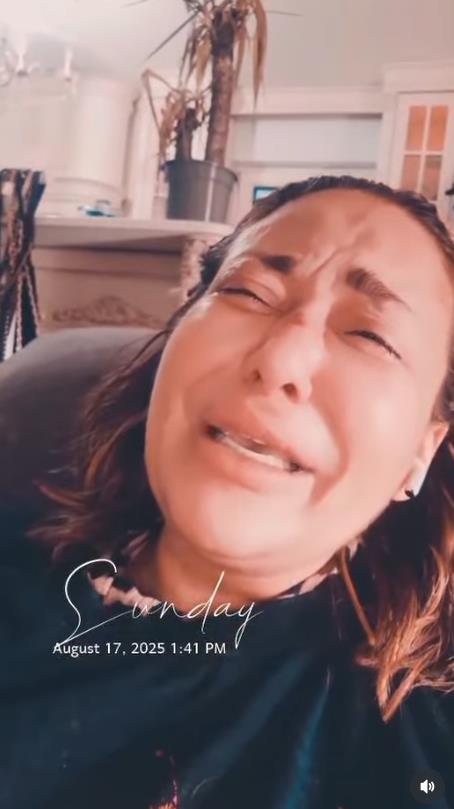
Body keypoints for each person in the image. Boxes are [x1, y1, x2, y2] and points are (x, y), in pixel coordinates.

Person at [1, 175, 454, 809]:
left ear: (421, 453)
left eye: (370, 336)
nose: (282, 360)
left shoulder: (421, 741)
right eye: (249, 292)